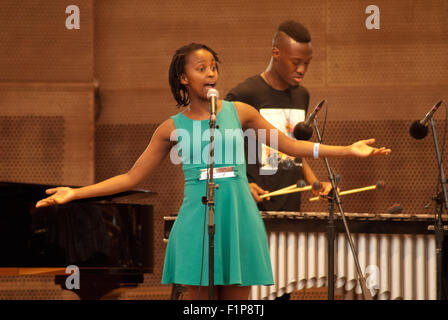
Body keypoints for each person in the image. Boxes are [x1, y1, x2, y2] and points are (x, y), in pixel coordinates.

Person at [36, 43, 390, 300]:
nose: (210, 72)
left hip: (238, 217)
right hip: (197, 219)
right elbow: (130, 178)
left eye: (213, 67)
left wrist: (348, 149)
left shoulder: (241, 112)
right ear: (183, 79)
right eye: (201, 67)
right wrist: (75, 192)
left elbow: (292, 147)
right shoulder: (170, 127)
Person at [226, 20, 330, 211]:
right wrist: (241, 184)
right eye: (296, 62)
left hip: (290, 206)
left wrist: (314, 182)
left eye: (307, 63)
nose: (302, 70)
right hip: (252, 206)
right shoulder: (244, 94)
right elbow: (220, 150)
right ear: (276, 53)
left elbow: (292, 147)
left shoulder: (301, 96)